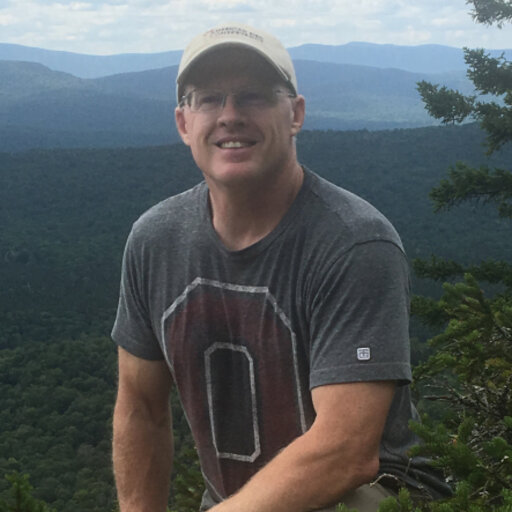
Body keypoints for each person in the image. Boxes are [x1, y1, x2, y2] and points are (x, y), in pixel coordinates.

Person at [111, 22, 451, 512]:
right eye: (208, 98)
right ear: (184, 123)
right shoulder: (154, 241)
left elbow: (347, 453)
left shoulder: (354, 243)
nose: (230, 116)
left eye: (253, 97)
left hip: (381, 495)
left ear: (295, 114)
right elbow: (140, 409)